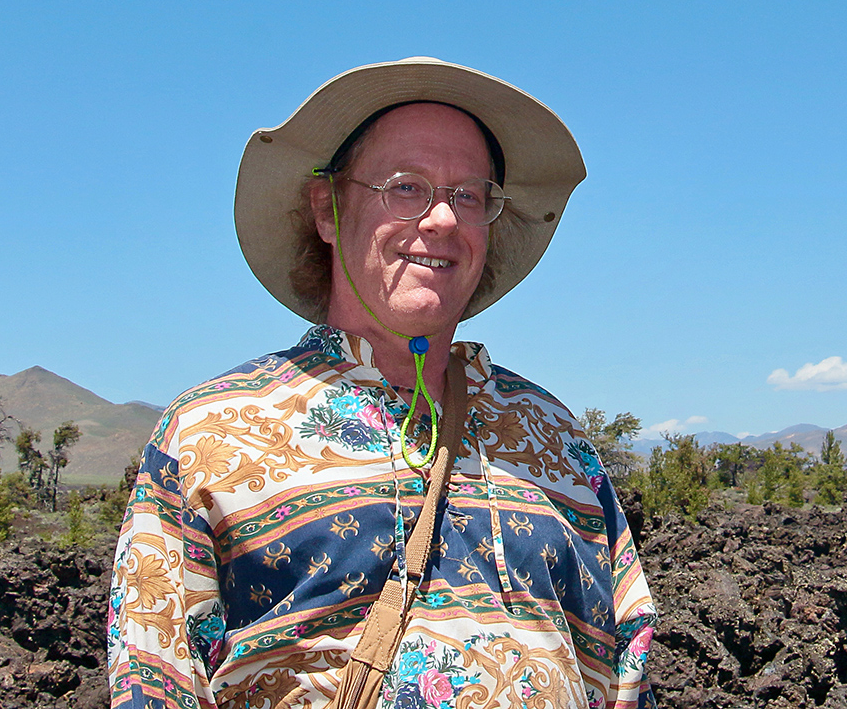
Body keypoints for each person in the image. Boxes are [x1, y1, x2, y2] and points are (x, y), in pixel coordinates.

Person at [108, 57, 657, 709]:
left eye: (469, 195)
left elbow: (630, 670)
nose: (443, 220)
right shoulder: (208, 436)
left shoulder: (556, 437)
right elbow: (155, 683)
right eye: (405, 187)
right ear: (327, 210)